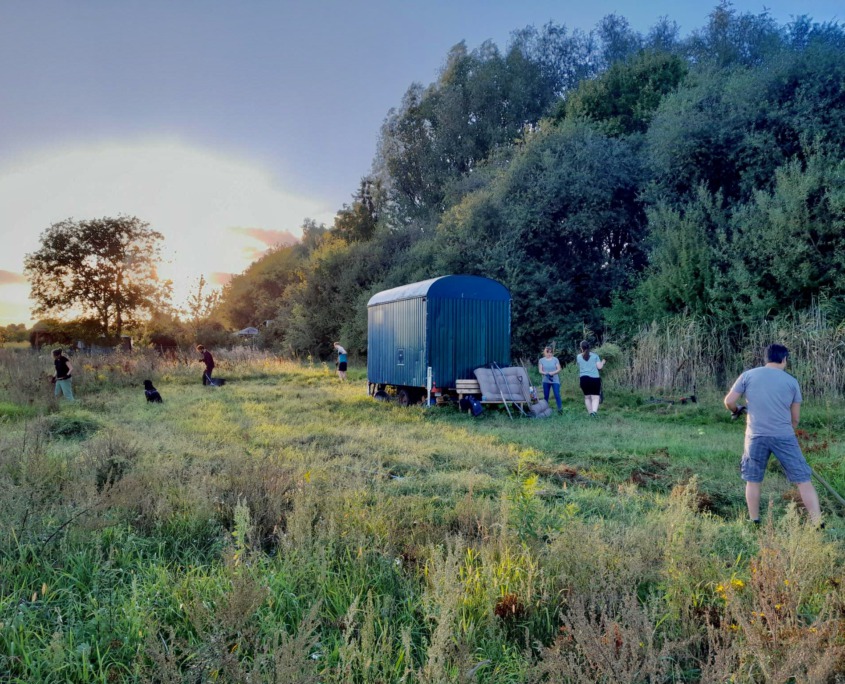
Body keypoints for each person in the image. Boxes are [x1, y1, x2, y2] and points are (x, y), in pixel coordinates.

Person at [724, 343, 822, 526]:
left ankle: (754, 520)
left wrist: (737, 409)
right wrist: (787, 432)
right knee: (803, 480)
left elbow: (729, 401)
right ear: (784, 359)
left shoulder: (748, 375)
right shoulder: (791, 381)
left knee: (753, 480)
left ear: (766, 358)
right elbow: (795, 418)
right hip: (783, 435)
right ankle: (817, 523)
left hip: (755, 436)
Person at [576, 340, 605, 416]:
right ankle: (594, 413)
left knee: (587, 397)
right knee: (595, 397)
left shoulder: (578, 356)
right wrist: (603, 362)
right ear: (589, 347)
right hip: (594, 379)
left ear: (581, 347)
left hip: (583, 379)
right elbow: (599, 367)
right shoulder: (595, 356)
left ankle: (590, 413)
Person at [538, 346, 563, 413]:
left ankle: (560, 409)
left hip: (555, 380)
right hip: (546, 380)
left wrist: (553, 373)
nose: (549, 354)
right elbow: (540, 371)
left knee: (557, 394)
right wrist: (546, 373)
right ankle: (545, 410)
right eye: (547, 352)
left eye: (550, 352)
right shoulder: (541, 360)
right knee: (546, 396)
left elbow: (559, 369)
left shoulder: (555, 359)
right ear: (544, 352)